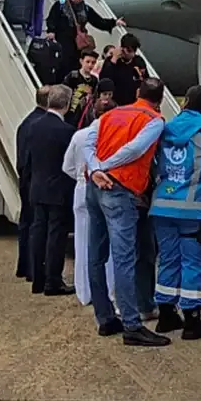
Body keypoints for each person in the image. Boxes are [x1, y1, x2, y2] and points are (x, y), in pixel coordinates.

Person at [82, 76, 169, 346]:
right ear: (161, 99)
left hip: (94, 186)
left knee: (96, 255)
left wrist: (95, 168)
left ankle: (105, 318)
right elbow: (136, 149)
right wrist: (106, 167)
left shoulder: (111, 114)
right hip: (120, 188)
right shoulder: (154, 120)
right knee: (124, 257)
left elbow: (88, 143)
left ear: (136, 92)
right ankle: (132, 323)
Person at [150, 85, 201, 340]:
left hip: (162, 205)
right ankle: (192, 320)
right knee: (193, 262)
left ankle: (166, 314)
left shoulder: (165, 127)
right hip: (197, 210)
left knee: (168, 259)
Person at [64, 97, 117, 306]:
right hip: (107, 188)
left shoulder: (79, 135)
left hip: (81, 187)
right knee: (110, 244)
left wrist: (79, 177)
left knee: (82, 243)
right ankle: (110, 290)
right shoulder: (113, 135)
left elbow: (66, 166)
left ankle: (84, 292)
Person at [26, 85, 77, 296]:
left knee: (38, 232)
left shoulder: (33, 126)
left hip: (37, 186)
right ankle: (53, 280)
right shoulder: (67, 131)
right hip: (58, 190)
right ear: (66, 104)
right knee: (56, 236)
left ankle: (37, 278)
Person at [46, 0, 124, 81]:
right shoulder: (61, 5)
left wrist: (114, 22)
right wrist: (51, 31)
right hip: (63, 41)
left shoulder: (85, 9)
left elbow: (98, 21)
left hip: (78, 45)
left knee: (75, 65)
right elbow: (52, 19)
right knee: (62, 64)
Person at [15, 85, 51, 283]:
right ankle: (33, 267)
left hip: (27, 178)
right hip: (36, 180)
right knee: (37, 225)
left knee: (26, 223)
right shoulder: (39, 124)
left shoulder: (26, 123)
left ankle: (24, 265)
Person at [102, 33, 149, 106]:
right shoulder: (111, 61)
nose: (131, 54)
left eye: (133, 51)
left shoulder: (138, 61)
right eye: (129, 51)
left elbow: (146, 79)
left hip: (133, 103)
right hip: (115, 103)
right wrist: (114, 59)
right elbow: (104, 79)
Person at [61, 49, 99, 126]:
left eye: (93, 62)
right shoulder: (73, 76)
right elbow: (64, 93)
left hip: (84, 114)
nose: (90, 65)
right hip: (70, 112)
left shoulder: (94, 80)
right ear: (81, 61)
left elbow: (94, 97)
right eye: (87, 62)